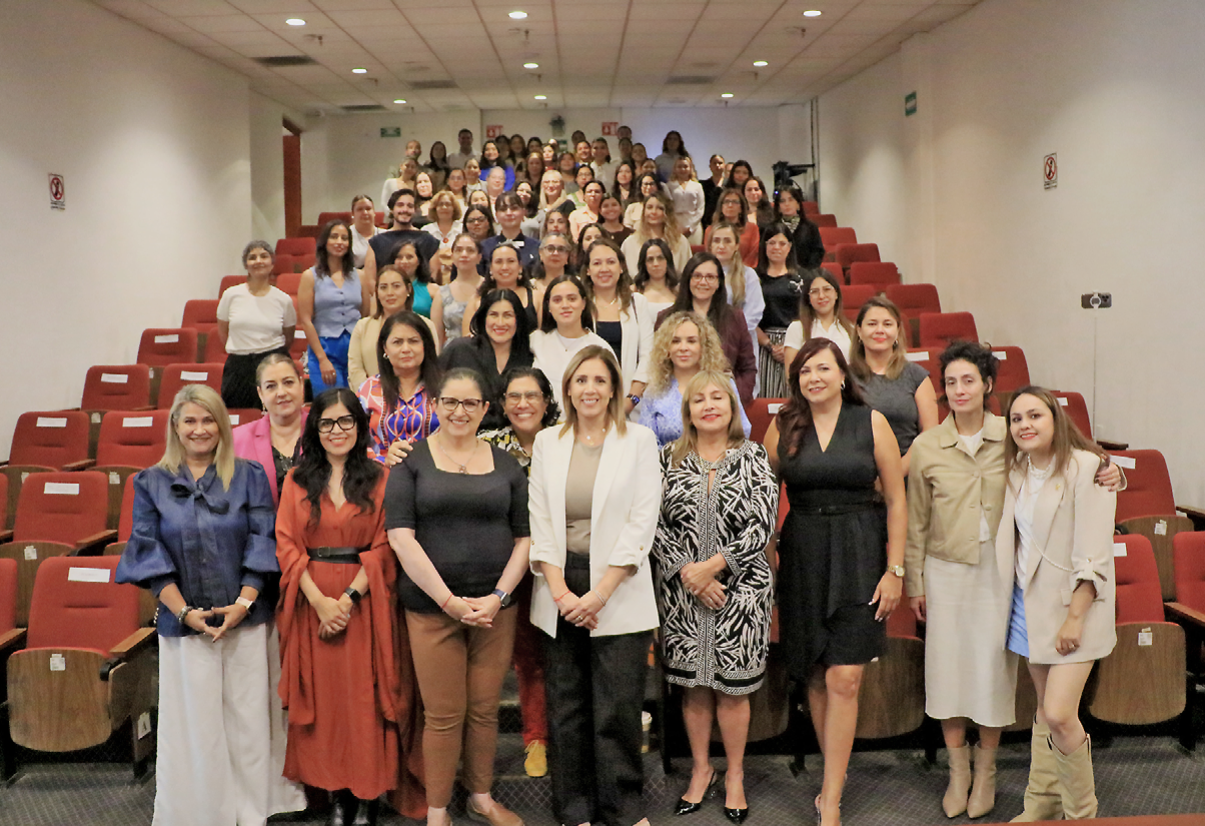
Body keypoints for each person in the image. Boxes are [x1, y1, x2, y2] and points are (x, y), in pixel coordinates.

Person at [116, 385, 284, 826]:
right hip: (182, 623)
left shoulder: (249, 474)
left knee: (248, 721)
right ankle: (204, 813)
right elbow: (149, 555)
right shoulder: (150, 482)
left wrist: (243, 604)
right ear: (175, 426)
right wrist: (184, 612)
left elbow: (262, 541)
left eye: (208, 419)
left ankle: (252, 812)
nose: (200, 429)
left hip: (245, 618)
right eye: (190, 420)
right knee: (197, 727)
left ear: (222, 425)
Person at [762, 338, 907, 826]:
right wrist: (768, 563)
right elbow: (763, 503)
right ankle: (832, 782)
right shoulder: (781, 426)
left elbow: (897, 501)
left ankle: (832, 798)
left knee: (846, 675)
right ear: (796, 379)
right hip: (802, 552)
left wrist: (896, 568)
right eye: (805, 370)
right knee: (818, 675)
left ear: (843, 375)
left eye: (823, 368)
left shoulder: (872, 423)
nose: (814, 377)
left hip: (860, 551)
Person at [386, 368, 531, 826]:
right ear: (435, 405)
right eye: (450, 402)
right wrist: (449, 601)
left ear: (486, 410)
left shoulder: (507, 465)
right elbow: (401, 539)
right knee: (444, 714)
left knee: (486, 710)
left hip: (494, 610)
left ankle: (481, 797)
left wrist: (499, 595)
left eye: (470, 404)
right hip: (432, 609)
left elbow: (525, 538)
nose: (459, 411)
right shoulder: (411, 463)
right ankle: (437, 810)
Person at [527, 346, 661, 826]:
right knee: (567, 707)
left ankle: (623, 807)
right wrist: (563, 593)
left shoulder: (640, 441)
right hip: (560, 588)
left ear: (615, 388)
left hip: (617, 587)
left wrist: (600, 592)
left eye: (600, 380)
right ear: (567, 389)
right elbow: (540, 521)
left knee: (618, 706)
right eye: (581, 380)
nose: (590, 389)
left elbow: (642, 522)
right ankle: (575, 808)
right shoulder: (547, 443)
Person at [654, 371, 778, 822]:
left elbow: (762, 525)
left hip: (741, 591)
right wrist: (691, 573)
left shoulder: (755, 456)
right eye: (699, 399)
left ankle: (735, 775)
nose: (709, 405)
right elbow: (655, 524)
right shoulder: (667, 458)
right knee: (694, 686)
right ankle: (701, 769)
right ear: (687, 412)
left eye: (718, 398)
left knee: (732, 689)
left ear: (731, 407)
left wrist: (714, 567)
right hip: (684, 592)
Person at [274, 388, 401, 826]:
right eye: (327, 423)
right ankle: (338, 796)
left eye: (346, 421)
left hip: (364, 603)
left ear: (360, 427)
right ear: (315, 430)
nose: (337, 430)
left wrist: (346, 601)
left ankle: (368, 795)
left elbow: (385, 546)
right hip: (313, 603)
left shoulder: (381, 478)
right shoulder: (296, 481)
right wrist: (319, 602)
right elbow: (288, 546)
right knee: (327, 703)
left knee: (363, 700)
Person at [999, 387, 1117, 822]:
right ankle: (1042, 805)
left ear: (1056, 420)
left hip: (1075, 609)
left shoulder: (1087, 468)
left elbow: (1095, 556)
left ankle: (1081, 814)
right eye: (1016, 419)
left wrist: (1074, 618)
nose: (1025, 425)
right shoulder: (1016, 468)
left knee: (1060, 712)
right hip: (1029, 606)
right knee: (1043, 710)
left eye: (1035, 416)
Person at [479, 368, 562, 778]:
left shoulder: (565, 440)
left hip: (561, 566)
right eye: (514, 396)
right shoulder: (486, 446)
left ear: (547, 402)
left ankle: (567, 736)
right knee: (526, 657)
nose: (523, 404)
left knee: (562, 657)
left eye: (532, 396)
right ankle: (535, 740)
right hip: (507, 566)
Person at [849, 297, 938, 476]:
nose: (880, 330)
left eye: (888, 324)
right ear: (859, 331)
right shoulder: (845, 377)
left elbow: (930, 434)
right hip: (858, 475)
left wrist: (895, 473)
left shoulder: (916, 375)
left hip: (909, 472)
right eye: (872, 324)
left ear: (897, 331)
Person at [657, 253, 756, 405]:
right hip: (676, 402)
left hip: (722, 405)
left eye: (710, 277)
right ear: (687, 280)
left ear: (718, 283)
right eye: (697, 276)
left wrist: (732, 399)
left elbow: (747, 368)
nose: (703, 282)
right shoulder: (666, 318)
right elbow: (658, 365)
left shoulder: (735, 318)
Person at [216, 240, 297, 409]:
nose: (258, 261)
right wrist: (243, 349)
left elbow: (288, 337)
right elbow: (224, 332)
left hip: (272, 362)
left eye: (264, 256)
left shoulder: (283, 299)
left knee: (275, 412)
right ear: (246, 264)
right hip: (238, 366)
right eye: (252, 257)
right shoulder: (231, 295)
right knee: (238, 414)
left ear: (272, 262)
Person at [440, 289, 536, 431]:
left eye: (508, 315)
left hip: (516, 439)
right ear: (484, 318)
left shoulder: (530, 356)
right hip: (464, 434)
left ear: (518, 320)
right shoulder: (460, 349)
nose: (500, 322)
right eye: (493, 315)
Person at [357, 310, 441, 466]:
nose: (406, 349)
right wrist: (382, 460)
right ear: (385, 349)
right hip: (380, 474)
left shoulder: (445, 387)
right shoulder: (368, 389)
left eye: (414, 341)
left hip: (435, 475)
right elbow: (354, 440)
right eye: (397, 342)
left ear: (425, 345)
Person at [581, 237, 653, 416]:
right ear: (588, 270)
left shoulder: (637, 303)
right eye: (597, 263)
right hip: (588, 402)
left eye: (611, 262)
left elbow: (648, 356)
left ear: (621, 268)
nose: (604, 269)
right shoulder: (580, 305)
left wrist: (631, 401)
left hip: (630, 405)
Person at [299, 219, 370, 395]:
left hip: (355, 346)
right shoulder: (310, 276)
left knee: (358, 402)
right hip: (325, 347)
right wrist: (322, 359)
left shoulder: (360, 276)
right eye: (334, 237)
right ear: (325, 242)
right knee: (331, 402)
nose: (339, 242)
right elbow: (306, 320)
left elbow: (366, 314)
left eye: (344, 238)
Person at [348, 265, 440, 390]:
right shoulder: (362, 327)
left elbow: (432, 364)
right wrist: (371, 395)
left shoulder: (426, 324)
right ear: (377, 293)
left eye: (396, 286)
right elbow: (355, 369)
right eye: (383, 288)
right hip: (371, 399)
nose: (389, 293)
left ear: (408, 289)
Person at [232, 353, 306, 507]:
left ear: (301, 385)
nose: (281, 392)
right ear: (261, 394)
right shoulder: (238, 439)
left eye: (288, 382)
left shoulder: (325, 430)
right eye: (271, 386)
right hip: (260, 529)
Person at [530, 274, 613, 410]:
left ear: (583, 303)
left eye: (572, 299)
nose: (565, 305)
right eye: (557, 300)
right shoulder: (535, 341)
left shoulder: (599, 347)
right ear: (549, 306)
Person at [708, 222, 765, 389]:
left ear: (736, 246)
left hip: (739, 343)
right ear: (710, 245)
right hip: (707, 342)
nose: (721, 245)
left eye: (727, 241)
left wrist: (728, 335)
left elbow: (754, 313)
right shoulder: (701, 274)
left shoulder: (748, 275)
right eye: (716, 240)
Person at [754, 223, 802, 398]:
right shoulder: (754, 278)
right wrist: (769, 345)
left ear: (789, 247)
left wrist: (791, 344)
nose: (776, 248)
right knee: (767, 398)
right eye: (772, 243)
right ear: (764, 246)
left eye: (782, 243)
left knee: (795, 396)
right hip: (764, 343)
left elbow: (806, 315)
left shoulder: (801, 278)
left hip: (797, 341)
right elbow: (749, 318)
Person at [365, 189, 440, 289]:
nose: (405, 210)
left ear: (415, 210)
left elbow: (433, 276)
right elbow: (370, 280)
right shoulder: (376, 242)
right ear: (392, 209)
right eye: (400, 205)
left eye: (410, 206)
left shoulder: (428, 240)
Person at [463, 242, 542, 335]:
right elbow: (467, 339)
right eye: (499, 262)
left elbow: (543, 338)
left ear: (520, 267)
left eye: (511, 261)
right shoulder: (477, 300)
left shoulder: (537, 297)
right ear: (490, 269)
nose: (505, 267)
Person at [784, 269, 854, 366]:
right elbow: (790, 375)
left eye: (827, 289)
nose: (821, 296)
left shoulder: (850, 329)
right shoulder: (797, 328)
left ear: (836, 294)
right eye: (815, 291)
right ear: (808, 297)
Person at [621, 192, 692, 275]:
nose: (654, 212)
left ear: (667, 213)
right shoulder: (630, 242)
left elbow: (687, 273)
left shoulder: (680, 241)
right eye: (649, 207)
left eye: (660, 208)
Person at [438, 233, 484, 347]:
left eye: (470, 250)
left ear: (479, 257)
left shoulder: (490, 288)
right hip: (451, 355)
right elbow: (437, 338)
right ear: (452, 256)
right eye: (459, 250)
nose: (464, 254)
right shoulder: (442, 293)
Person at [482, 192, 541, 271]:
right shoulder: (485, 247)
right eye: (503, 209)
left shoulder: (537, 247)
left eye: (514, 208)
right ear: (496, 215)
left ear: (523, 212)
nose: (509, 213)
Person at [705, 188, 759, 268]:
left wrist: (739, 271)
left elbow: (752, 255)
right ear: (721, 206)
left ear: (741, 207)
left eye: (735, 202)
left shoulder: (752, 228)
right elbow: (710, 255)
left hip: (744, 272)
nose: (730, 205)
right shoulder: (710, 230)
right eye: (726, 202)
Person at [391, 241, 440, 324]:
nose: (404, 261)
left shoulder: (433, 290)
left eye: (409, 257)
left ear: (419, 261)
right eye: (399, 257)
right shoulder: (383, 289)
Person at [633, 238, 678, 315]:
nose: (656, 264)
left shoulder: (679, 291)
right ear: (644, 264)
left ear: (668, 261)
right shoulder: (634, 291)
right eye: (650, 259)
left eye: (660, 258)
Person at [667, 155, 706, 244]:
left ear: (690, 168)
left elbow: (700, 208)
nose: (682, 169)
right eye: (679, 166)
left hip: (694, 225)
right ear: (675, 169)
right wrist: (675, 226)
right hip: (675, 225)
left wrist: (691, 227)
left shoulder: (697, 186)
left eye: (685, 166)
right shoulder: (669, 185)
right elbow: (668, 207)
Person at [423, 190, 464, 257]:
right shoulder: (426, 230)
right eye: (440, 204)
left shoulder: (462, 229)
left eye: (448, 204)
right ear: (435, 208)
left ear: (454, 208)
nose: (444, 207)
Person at [351, 194, 384, 269]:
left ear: (374, 212)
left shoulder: (385, 234)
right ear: (353, 214)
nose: (365, 212)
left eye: (368, 209)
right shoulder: (345, 235)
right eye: (360, 209)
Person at [700, 154, 726, 231]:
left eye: (720, 163)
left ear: (724, 165)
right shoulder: (703, 185)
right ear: (710, 166)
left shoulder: (730, 184)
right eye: (714, 163)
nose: (717, 165)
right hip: (707, 224)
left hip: (726, 223)